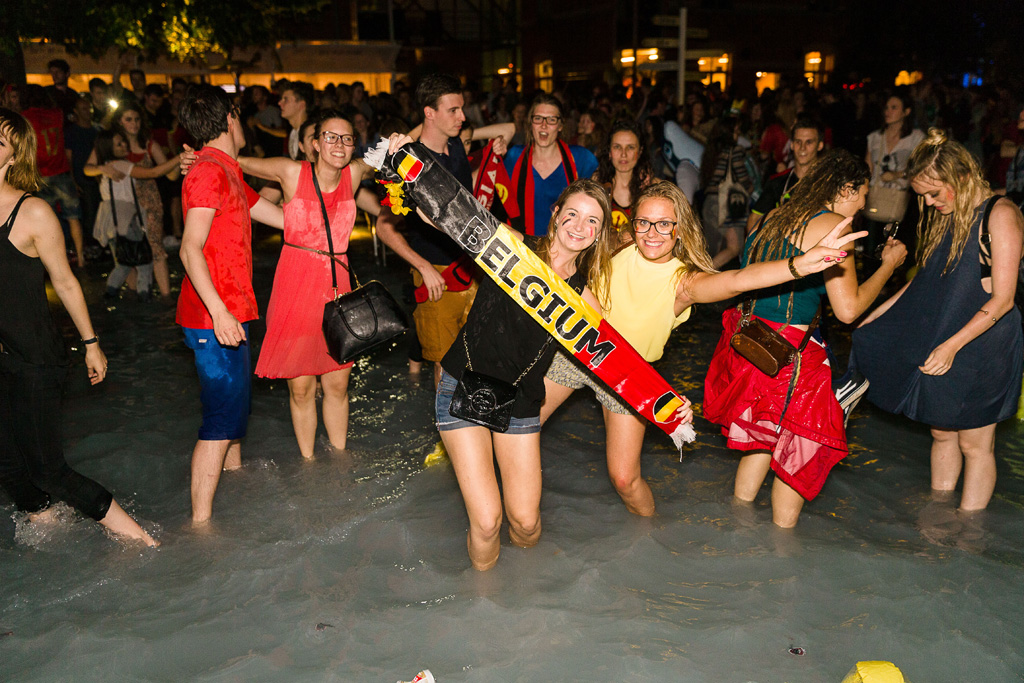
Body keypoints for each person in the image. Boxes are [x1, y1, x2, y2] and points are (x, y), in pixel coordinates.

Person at [541, 180, 864, 516]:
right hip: (578, 351)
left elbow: (737, 280)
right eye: (644, 222)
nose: (652, 233)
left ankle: (649, 540)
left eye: (664, 224)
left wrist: (798, 265)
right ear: (633, 223)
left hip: (628, 375)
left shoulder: (685, 282)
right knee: (519, 423)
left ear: (679, 229)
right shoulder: (620, 244)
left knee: (625, 479)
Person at [702, 150, 907, 528]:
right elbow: (848, 310)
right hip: (791, 359)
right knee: (799, 455)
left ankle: (737, 530)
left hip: (751, 346)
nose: (865, 203)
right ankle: (783, 555)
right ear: (846, 189)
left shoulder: (776, 216)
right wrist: (888, 266)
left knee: (762, 443)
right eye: (863, 192)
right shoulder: (834, 227)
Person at [437, 179, 628, 570]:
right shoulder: (510, 245)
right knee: (488, 522)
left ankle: (527, 594)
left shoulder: (584, 301)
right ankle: (484, 605)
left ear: (598, 235)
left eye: (592, 221)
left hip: (520, 400)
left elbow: (621, 363)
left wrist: (671, 408)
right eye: (571, 213)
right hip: (464, 383)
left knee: (525, 523)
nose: (579, 226)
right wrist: (404, 165)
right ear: (555, 215)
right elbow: (443, 214)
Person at [0, 107, 157, 547]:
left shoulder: (32, 213)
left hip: (36, 358)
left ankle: (142, 542)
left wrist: (91, 344)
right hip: (2, 356)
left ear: (14, 157)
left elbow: (66, 283)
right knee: (7, 461)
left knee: (49, 470)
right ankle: (46, 526)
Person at [853, 130, 1024, 512]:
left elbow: (1004, 298)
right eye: (923, 196)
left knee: (975, 444)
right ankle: (937, 515)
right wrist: (876, 314)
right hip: (947, 333)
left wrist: (951, 346)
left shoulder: (1002, 214)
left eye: (934, 193)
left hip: (985, 341)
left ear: (961, 178)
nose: (928, 203)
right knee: (941, 431)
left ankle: (967, 529)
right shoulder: (947, 216)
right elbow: (926, 280)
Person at [212, 110, 383, 458]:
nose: (339, 144)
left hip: (337, 288)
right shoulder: (292, 172)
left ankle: (338, 460)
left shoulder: (355, 173)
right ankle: (308, 464)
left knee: (337, 384)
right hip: (295, 286)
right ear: (316, 144)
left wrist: (404, 141)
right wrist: (201, 158)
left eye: (346, 138)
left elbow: (392, 152)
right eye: (331, 137)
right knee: (302, 389)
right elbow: (237, 161)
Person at [175, 84, 284, 524]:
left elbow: (276, 216)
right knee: (221, 418)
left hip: (229, 312)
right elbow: (189, 248)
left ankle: (235, 488)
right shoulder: (207, 172)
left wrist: (327, 217)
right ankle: (199, 526)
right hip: (212, 317)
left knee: (236, 408)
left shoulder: (226, 170)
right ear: (231, 120)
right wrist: (219, 312)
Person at [374, 73, 480, 388]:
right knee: (445, 368)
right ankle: (447, 436)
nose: (462, 117)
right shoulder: (408, 164)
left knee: (475, 359)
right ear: (429, 114)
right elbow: (383, 226)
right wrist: (421, 266)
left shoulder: (457, 147)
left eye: (462, 109)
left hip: (472, 268)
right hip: (436, 274)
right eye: (453, 110)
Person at [85, 102, 175, 297]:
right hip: (122, 206)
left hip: (148, 202)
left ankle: (166, 296)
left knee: (155, 247)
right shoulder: (110, 144)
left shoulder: (149, 144)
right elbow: (88, 168)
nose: (134, 123)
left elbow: (170, 175)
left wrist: (175, 162)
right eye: (128, 119)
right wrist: (103, 169)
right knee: (126, 251)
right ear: (119, 121)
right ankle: (138, 296)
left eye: (137, 119)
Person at [504, 94, 599, 236]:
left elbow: (602, 197)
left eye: (551, 120)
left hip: (566, 247)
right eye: (538, 118)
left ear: (560, 125)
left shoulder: (580, 158)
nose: (544, 125)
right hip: (522, 248)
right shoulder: (514, 157)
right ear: (530, 123)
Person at [20, 85, 86, 267]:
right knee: (73, 217)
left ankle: (56, 260)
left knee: (49, 221)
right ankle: (81, 257)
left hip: (42, 174)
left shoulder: (26, 116)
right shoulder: (57, 113)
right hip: (62, 171)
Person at [864, 91, 925, 250]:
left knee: (897, 248)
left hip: (901, 200)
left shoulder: (916, 138)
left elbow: (921, 167)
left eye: (893, 107)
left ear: (906, 111)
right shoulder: (875, 137)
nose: (887, 112)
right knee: (872, 247)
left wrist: (898, 174)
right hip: (875, 198)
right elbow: (867, 167)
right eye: (886, 108)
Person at [747, 117, 825, 233]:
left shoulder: (828, 180)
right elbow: (755, 218)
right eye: (798, 142)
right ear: (792, 145)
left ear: (820, 146)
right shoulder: (778, 182)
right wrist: (755, 248)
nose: (802, 148)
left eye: (809, 142)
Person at [593, 121, 656, 243]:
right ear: (609, 152)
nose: (623, 154)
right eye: (617, 147)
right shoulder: (597, 185)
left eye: (630, 147)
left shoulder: (653, 188)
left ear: (640, 151)